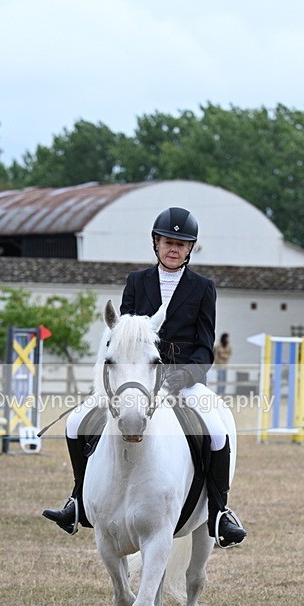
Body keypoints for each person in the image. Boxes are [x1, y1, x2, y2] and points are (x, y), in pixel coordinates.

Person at [43, 207, 247, 548]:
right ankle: (77, 500)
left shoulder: (203, 288)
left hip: (183, 380)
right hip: (135, 378)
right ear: (156, 243)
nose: (174, 249)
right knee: (76, 422)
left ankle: (219, 513)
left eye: (181, 245)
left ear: (190, 249)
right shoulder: (137, 282)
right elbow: (123, 335)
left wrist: (178, 379)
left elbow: (204, 348)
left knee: (215, 429)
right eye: (168, 242)